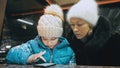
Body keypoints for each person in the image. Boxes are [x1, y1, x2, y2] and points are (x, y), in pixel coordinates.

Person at [6, 4, 75, 65]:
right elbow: (11, 54)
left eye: (53, 39)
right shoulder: (33, 45)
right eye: (44, 38)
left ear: (59, 36)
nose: (49, 43)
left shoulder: (68, 51)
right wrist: (29, 58)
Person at [66, 0, 120, 66]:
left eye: (79, 24)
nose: (75, 29)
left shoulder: (114, 41)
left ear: (91, 24)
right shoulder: (71, 43)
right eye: (72, 24)